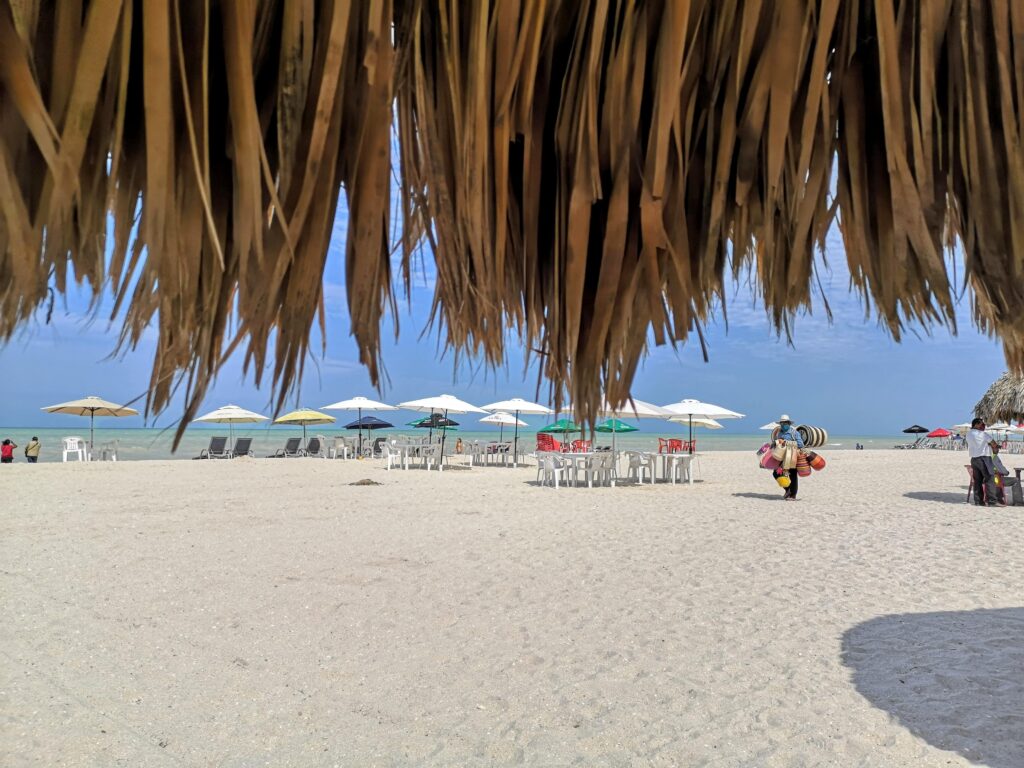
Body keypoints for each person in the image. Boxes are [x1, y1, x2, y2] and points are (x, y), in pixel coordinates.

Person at [966, 417, 1001, 506]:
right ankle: (992, 501)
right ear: (976, 424)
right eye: (981, 424)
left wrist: (988, 445)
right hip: (984, 458)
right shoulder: (983, 434)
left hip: (974, 459)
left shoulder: (968, 434)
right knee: (989, 479)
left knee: (977, 481)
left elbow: (978, 444)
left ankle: (978, 501)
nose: (983, 425)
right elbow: (994, 444)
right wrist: (994, 446)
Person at [776, 414, 803, 500]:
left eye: (785, 423)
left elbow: (800, 444)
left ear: (789, 423)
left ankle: (793, 495)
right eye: (782, 423)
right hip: (782, 456)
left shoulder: (794, 433)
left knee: (792, 475)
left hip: (792, 456)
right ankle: (787, 489)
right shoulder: (779, 433)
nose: (783, 425)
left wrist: (785, 442)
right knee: (776, 473)